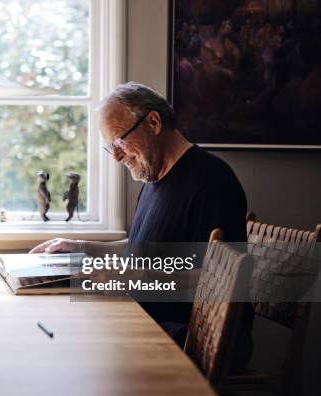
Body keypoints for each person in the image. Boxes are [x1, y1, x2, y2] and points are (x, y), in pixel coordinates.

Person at [30, 82, 252, 370]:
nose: (117, 157)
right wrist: (82, 247)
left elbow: (219, 282)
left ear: (154, 122)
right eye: (111, 148)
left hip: (190, 339)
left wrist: (130, 277)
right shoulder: (155, 180)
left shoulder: (212, 181)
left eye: (120, 142)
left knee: (64, 352)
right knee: (55, 333)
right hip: (146, 324)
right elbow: (144, 250)